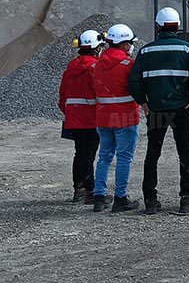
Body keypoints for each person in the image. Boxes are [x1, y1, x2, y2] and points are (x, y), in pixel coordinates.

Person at [129, 7, 189, 215]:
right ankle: (186, 199)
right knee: (184, 152)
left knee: (153, 152)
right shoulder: (187, 49)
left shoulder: (146, 51)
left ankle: (150, 200)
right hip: (181, 109)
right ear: (178, 26)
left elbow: (134, 80)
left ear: (158, 27)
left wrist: (142, 101)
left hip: (156, 111)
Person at [90, 24, 142, 213]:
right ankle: (120, 198)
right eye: (130, 43)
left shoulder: (97, 65)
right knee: (124, 158)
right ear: (125, 45)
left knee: (104, 157)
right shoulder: (129, 65)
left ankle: (99, 197)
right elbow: (137, 88)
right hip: (125, 117)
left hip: (103, 117)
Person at [58, 29, 104, 204]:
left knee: (80, 153)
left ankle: (79, 189)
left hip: (74, 119)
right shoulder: (95, 68)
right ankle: (90, 191)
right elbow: (100, 93)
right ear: (96, 48)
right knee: (89, 155)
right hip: (91, 119)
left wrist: (71, 113)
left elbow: (62, 98)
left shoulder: (70, 68)